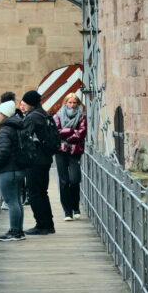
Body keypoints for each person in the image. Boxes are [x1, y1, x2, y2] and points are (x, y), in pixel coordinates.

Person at [20, 90, 55, 235]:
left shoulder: (32, 117)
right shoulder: (44, 114)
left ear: (30, 103)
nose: (23, 105)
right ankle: (48, 224)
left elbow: (23, 137)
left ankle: (42, 225)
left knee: (34, 193)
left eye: (25, 103)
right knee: (42, 192)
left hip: (35, 160)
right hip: (45, 159)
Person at [0, 100, 26, 241]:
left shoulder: (5, 129)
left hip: (8, 170)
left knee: (11, 201)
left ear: (4, 114)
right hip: (19, 168)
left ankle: (14, 232)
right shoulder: (17, 126)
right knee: (17, 201)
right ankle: (19, 231)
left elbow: (4, 151)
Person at [53, 93, 87, 221]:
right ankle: (67, 212)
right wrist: (73, 131)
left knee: (74, 179)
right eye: (70, 102)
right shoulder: (57, 116)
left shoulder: (82, 117)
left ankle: (75, 207)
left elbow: (82, 133)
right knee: (64, 181)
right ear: (65, 103)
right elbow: (56, 131)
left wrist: (66, 133)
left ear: (78, 104)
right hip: (60, 151)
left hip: (75, 151)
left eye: (74, 103)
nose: (72, 105)